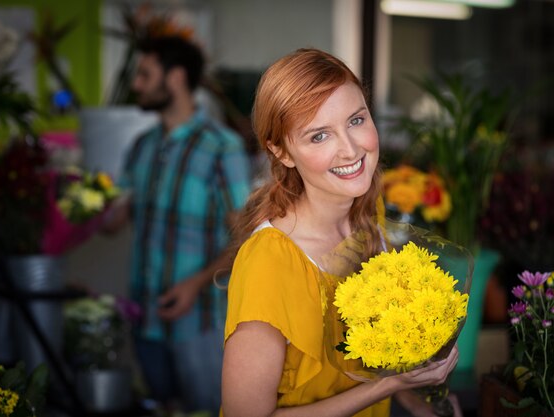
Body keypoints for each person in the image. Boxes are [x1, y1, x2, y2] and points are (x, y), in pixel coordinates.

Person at [221, 48, 460, 417]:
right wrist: (389, 385)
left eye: (356, 120)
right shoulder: (270, 264)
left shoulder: (367, 213)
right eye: (319, 136)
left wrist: (414, 397)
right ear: (281, 151)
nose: (350, 149)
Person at [103, 35, 251, 414]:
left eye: (145, 74)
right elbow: (113, 224)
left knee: (208, 409)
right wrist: (87, 203)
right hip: (143, 314)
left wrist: (195, 285)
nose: (136, 84)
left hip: (198, 322)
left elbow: (246, 239)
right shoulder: (142, 145)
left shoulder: (223, 147)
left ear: (176, 78)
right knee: (162, 407)